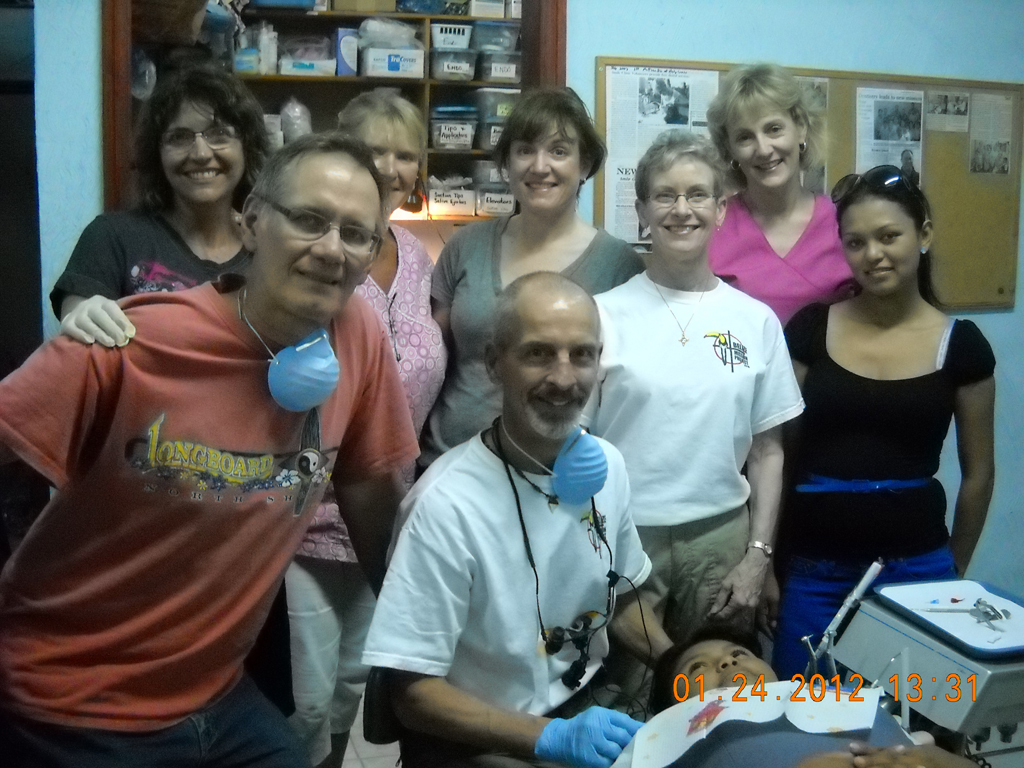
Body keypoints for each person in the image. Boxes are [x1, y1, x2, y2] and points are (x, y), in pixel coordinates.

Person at [0, 132, 420, 767]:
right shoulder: (129, 343)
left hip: (218, 699)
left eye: (356, 234)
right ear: (251, 221)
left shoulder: (356, 336)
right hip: (72, 703)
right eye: (309, 220)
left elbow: (369, 497)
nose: (332, 249)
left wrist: (430, 645)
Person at [362, 272, 672, 768]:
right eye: (538, 353)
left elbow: (622, 599)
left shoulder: (608, 467)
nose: (564, 378)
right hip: (480, 735)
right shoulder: (444, 507)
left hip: (580, 703)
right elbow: (413, 696)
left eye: (581, 354)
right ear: (493, 364)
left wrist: (686, 671)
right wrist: (548, 737)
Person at [585, 131, 804, 668]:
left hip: (721, 540)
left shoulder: (755, 322)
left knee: (716, 690)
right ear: (642, 211)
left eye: (698, 195)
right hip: (625, 538)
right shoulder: (600, 315)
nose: (681, 210)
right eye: (665, 195)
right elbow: (576, 444)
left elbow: (767, 451)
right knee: (626, 691)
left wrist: (758, 557)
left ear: (721, 209)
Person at [772, 165, 996, 679]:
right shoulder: (810, 329)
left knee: (912, 716)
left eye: (889, 236)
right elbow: (779, 456)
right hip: (813, 572)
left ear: (924, 235)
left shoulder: (961, 346)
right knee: (802, 713)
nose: (872, 254)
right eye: (856, 242)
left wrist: (954, 570)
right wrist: (769, 564)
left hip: (918, 571)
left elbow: (979, 473)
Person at [284, 90, 446, 768]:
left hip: (385, 514)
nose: (390, 166)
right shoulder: (320, 253)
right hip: (306, 516)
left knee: (350, 688)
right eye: (374, 149)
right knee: (304, 701)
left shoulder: (418, 255)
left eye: (405, 153)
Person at [420, 86, 644, 466]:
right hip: (449, 461)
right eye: (525, 150)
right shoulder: (465, 245)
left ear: (585, 165)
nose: (539, 166)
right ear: (507, 164)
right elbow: (430, 360)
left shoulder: (619, 265)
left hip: (556, 473)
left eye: (558, 151)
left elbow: (625, 388)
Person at [51, 63, 269, 347]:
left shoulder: (270, 246)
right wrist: (82, 316)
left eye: (219, 134)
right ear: (157, 154)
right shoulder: (112, 237)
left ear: (247, 148)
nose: (201, 153)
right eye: (179, 137)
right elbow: (75, 341)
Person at [706, 63, 856, 325]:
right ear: (729, 149)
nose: (764, 149)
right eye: (745, 137)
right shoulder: (712, 225)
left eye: (773, 129)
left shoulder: (844, 223)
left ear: (800, 128)